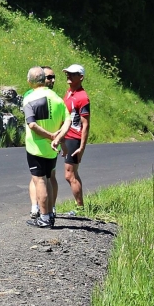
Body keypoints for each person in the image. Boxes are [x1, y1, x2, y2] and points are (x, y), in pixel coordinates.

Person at [22, 66, 70, 229]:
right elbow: (68, 121)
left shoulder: (29, 98)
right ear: (44, 80)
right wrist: (59, 138)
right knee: (49, 178)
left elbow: (32, 124)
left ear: (30, 81)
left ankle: (43, 217)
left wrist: (50, 136)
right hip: (52, 149)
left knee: (39, 181)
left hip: (36, 147)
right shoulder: (57, 98)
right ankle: (49, 214)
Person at [29, 64, 56, 219]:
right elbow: (31, 123)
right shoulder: (30, 96)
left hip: (50, 144)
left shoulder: (56, 98)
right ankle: (36, 208)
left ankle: (48, 213)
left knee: (47, 178)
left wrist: (59, 140)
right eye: (48, 77)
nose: (52, 80)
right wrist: (53, 136)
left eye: (53, 77)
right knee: (38, 179)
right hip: (38, 145)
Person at [61, 64, 90, 210]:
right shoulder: (69, 92)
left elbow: (86, 124)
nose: (69, 76)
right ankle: (80, 207)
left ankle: (80, 208)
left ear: (81, 77)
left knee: (69, 175)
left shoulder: (82, 97)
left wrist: (81, 147)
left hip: (74, 138)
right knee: (72, 174)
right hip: (66, 137)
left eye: (73, 74)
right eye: (68, 73)